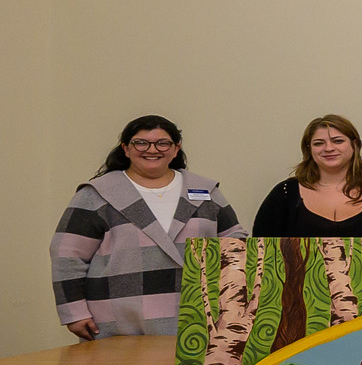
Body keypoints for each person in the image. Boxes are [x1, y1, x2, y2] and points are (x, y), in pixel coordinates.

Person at [51, 116, 247, 340]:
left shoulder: (205, 191)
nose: (152, 150)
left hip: (198, 319)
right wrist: (74, 312)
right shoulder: (97, 194)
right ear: (126, 148)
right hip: (119, 323)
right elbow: (66, 255)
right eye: (141, 143)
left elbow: (236, 244)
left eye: (163, 143)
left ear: (176, 149)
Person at [251, 115, 362, 237]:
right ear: (309, 149)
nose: (328, 148)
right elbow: (261, 254)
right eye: (319, 143)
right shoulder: (285, 193)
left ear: (354, 145)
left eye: (337, 141)